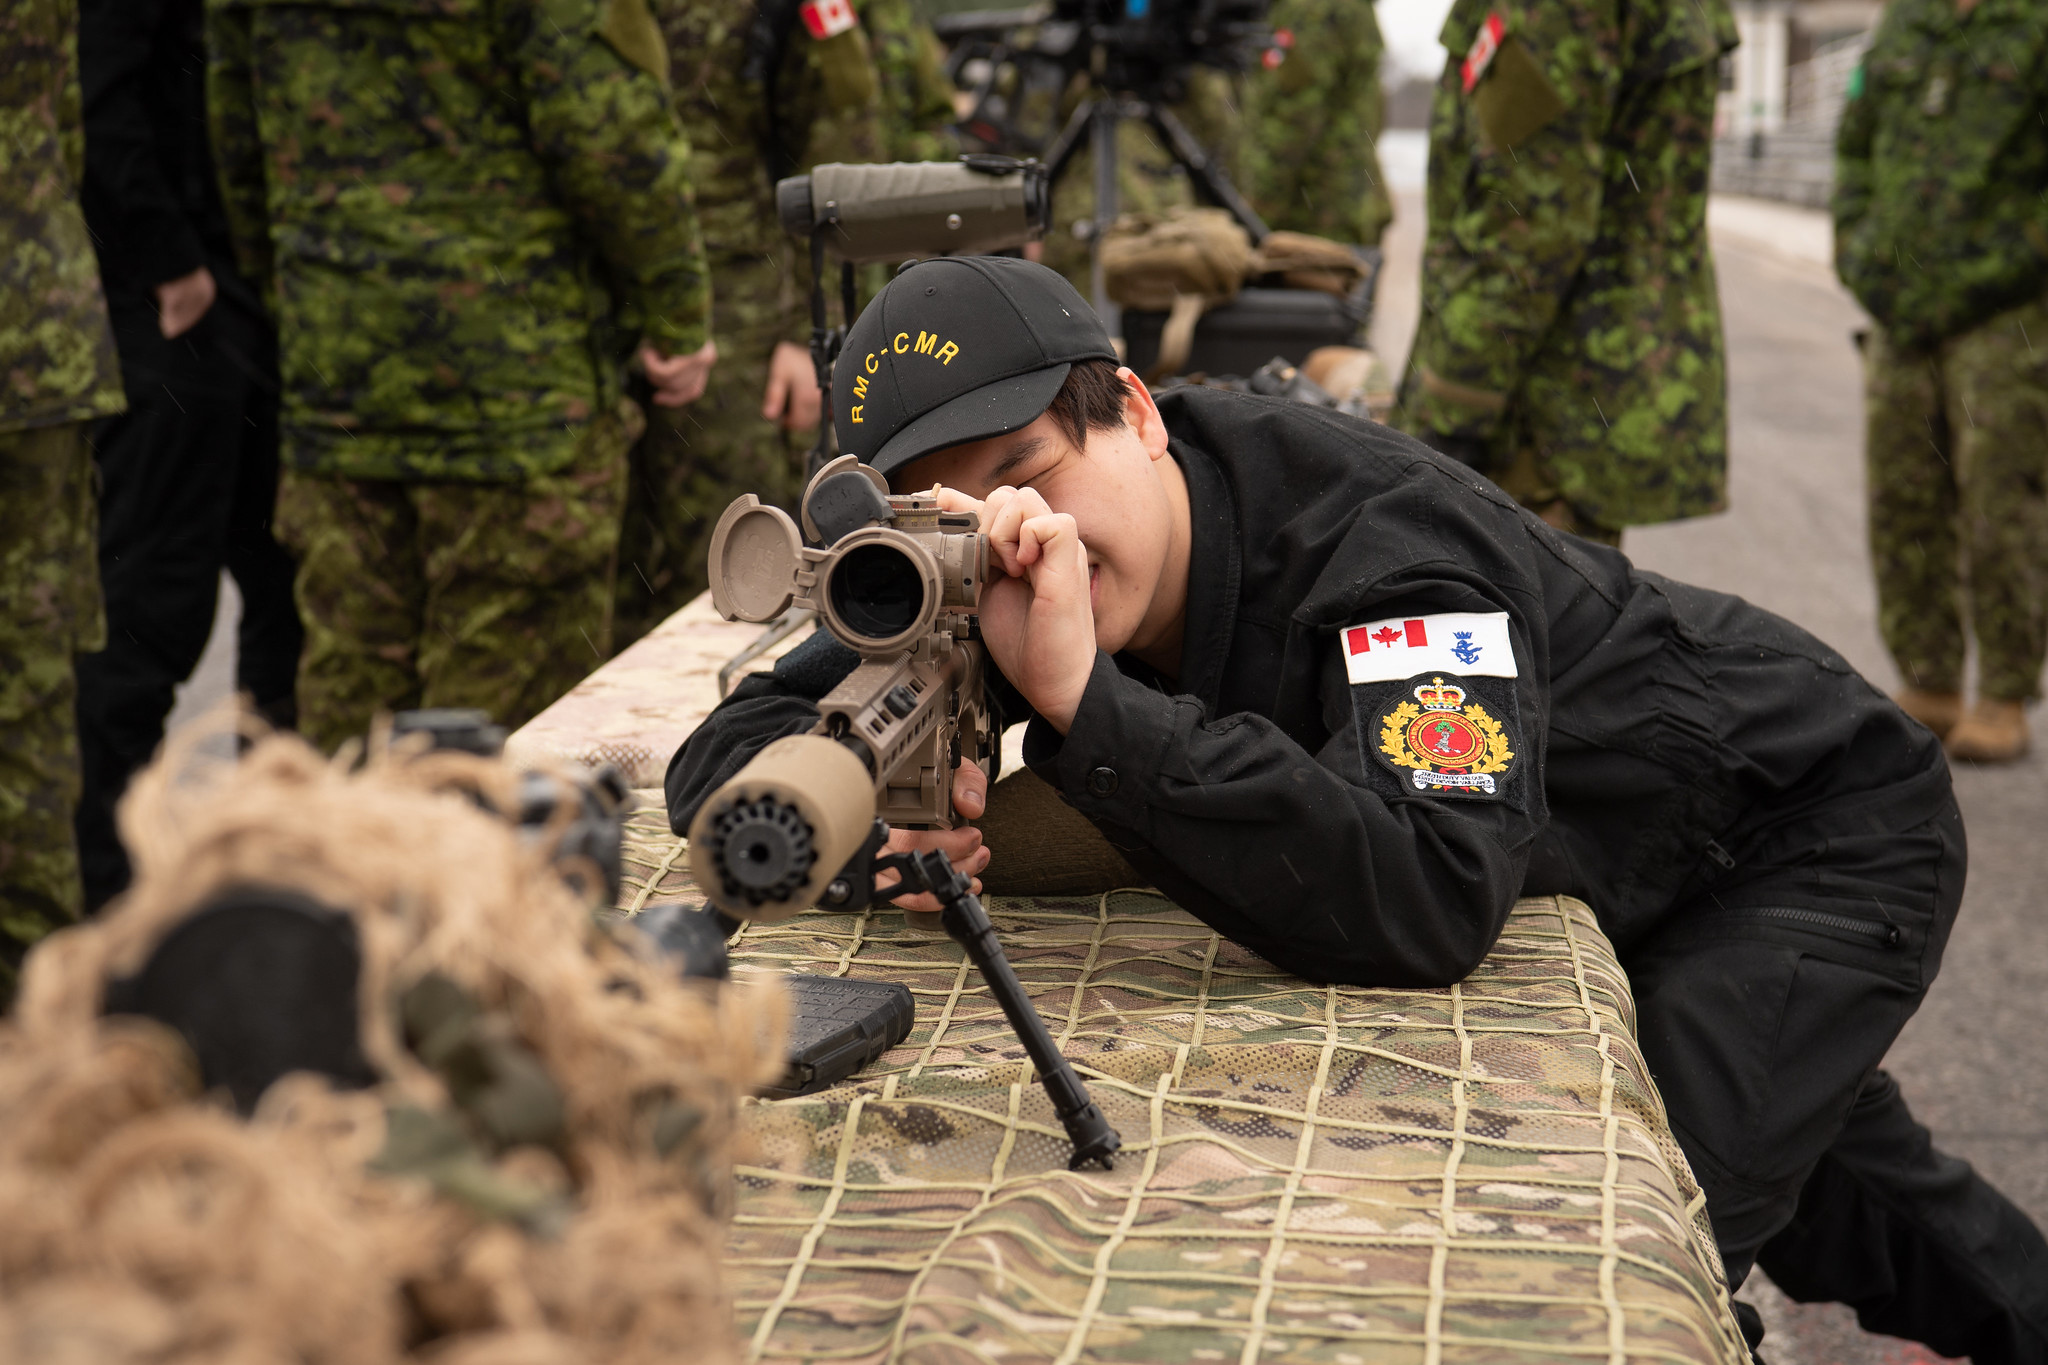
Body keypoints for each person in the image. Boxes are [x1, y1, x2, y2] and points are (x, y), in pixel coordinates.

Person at [668, 257, 2048, 1361]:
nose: (1019, 536)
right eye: (946, 512)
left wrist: (1091, 708)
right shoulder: (967, 559)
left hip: (1794, 831)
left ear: (1138, 413)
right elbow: (730, 755)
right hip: (1615, 855)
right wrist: (891, 832)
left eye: (1031, 470)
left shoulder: (1385, 546)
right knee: (1860, 1203)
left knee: (1625, 1242)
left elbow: (1436, 892)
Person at [207, 0, 715, 752]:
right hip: (520, 403)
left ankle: (344, 867)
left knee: (352, 706)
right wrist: (675, 315)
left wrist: (318, 303)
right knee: (503, 741)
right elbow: (612, 143)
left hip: (344, 380)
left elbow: (237, 147)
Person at [612, 0, 955, 649]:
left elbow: (840, 143)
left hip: (738, 299)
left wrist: (809, 330)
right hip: (592, 299)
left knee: (725, 556)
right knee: (600, 565)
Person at [73, 0, 303, 910]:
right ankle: (104, 900)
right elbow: (97, 98)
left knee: (287, 592)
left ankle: (280, 872)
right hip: (169, 318)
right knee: (145, 617)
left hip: (234, 307)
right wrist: (168, 261)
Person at [1395, 0, 1738, 546]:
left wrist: (1449, 408)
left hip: (1538, 413)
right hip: (1585, 392)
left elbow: (1528, 223)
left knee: (1514, 617)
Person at [1834, 0, 2048, 762]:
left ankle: (2003, 687)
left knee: (2003, 497)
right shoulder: (1904, 22)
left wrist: (1992, 269)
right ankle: (1928, 676)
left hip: (2008, 310)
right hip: (1900, 304)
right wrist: (1858, 250)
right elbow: (1856, 149)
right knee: (1903, 492)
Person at [0, 0, 129, 1004]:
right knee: (27, 695)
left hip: (33, 344)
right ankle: (34, 1011)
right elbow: (64, 118)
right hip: (29, 329)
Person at [1038, 0, 1393, 290]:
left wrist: (1251, 215)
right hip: (1328, 202)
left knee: (1306, 324)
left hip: (1312, 210)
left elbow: (1290, 124)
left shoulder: (1312, 10)